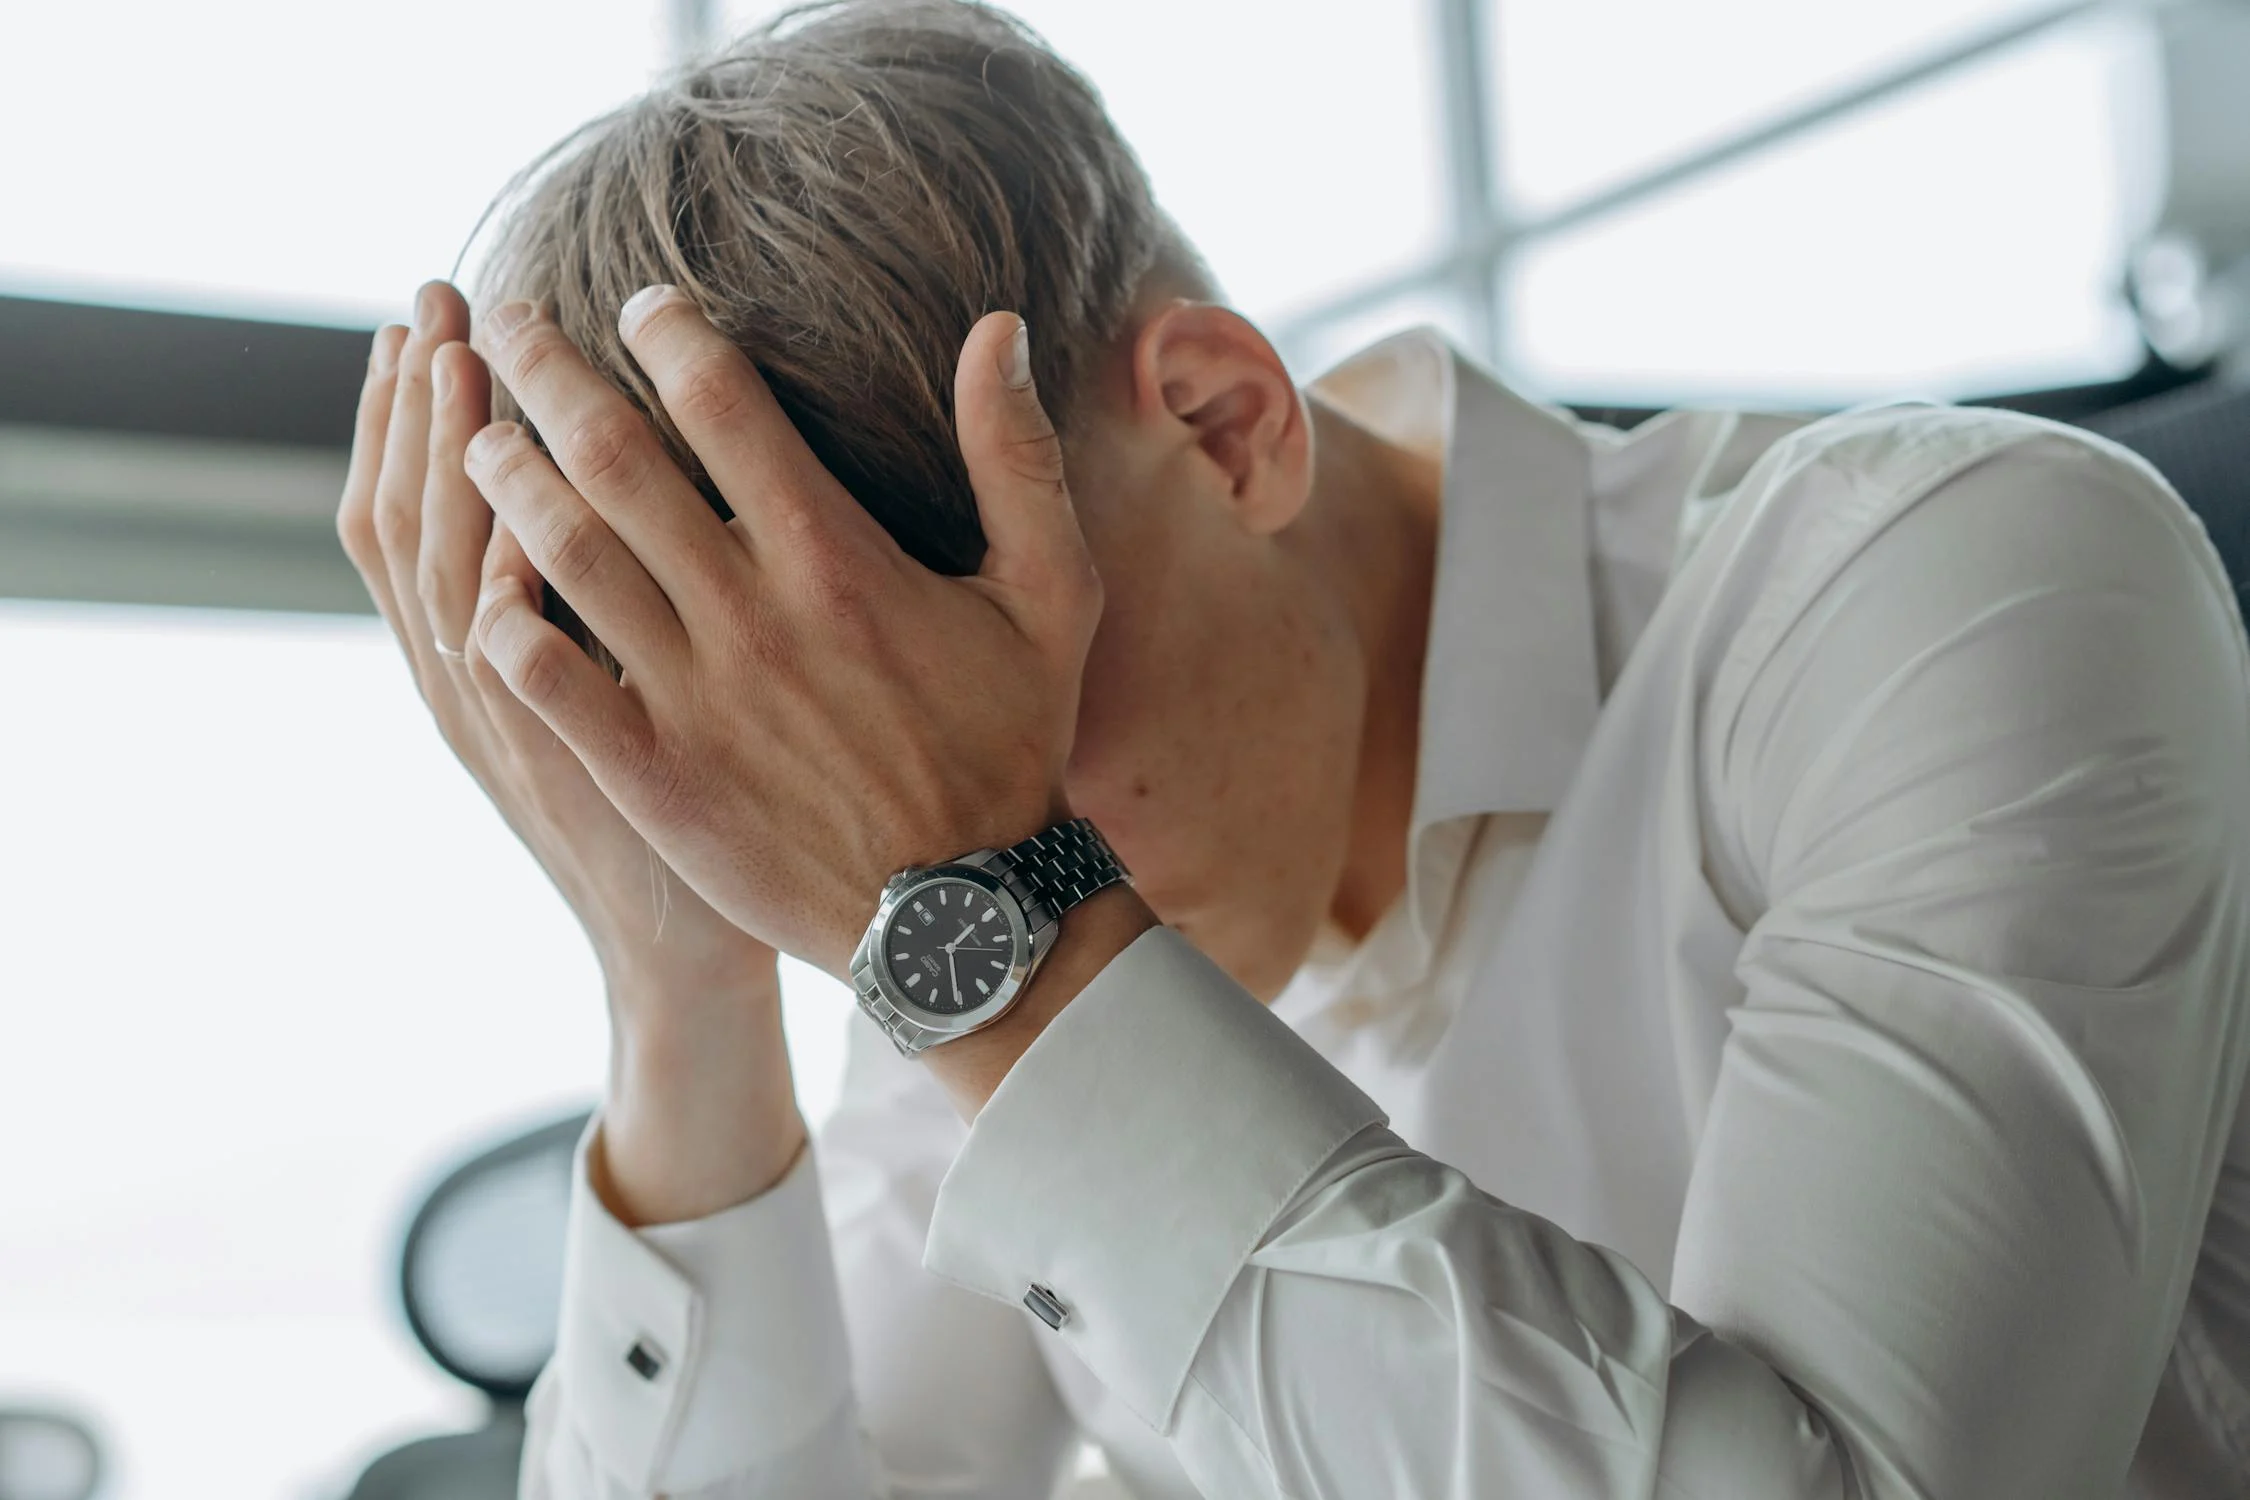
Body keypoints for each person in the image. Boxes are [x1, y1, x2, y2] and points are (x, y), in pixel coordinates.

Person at [334, 1, 2250, 1495]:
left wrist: (1001, 919)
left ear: (1225, 420)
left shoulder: (1945, 582)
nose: (931, 835)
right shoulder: (962, 903)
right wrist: (679, 982)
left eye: (982, 722)